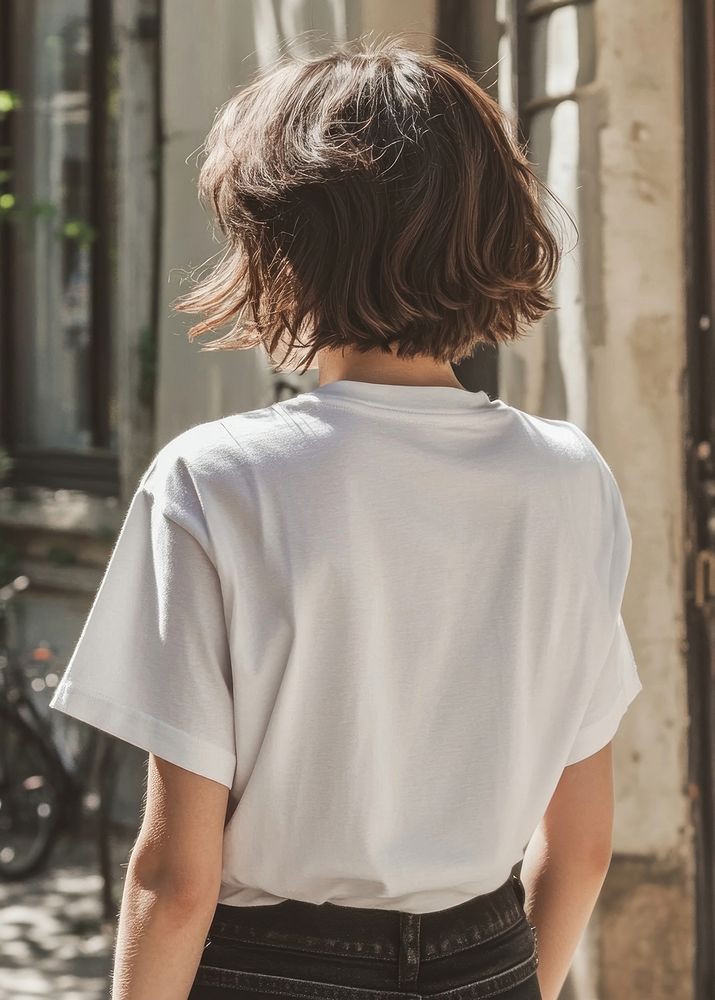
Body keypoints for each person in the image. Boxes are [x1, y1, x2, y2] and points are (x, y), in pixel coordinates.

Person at [50, 34, 642, 1000]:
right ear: (492, 227)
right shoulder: (569, 477)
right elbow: (579, 846)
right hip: (490, 952)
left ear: (283, 243)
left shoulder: (217, 478)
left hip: (271, 965)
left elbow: (178, 875)